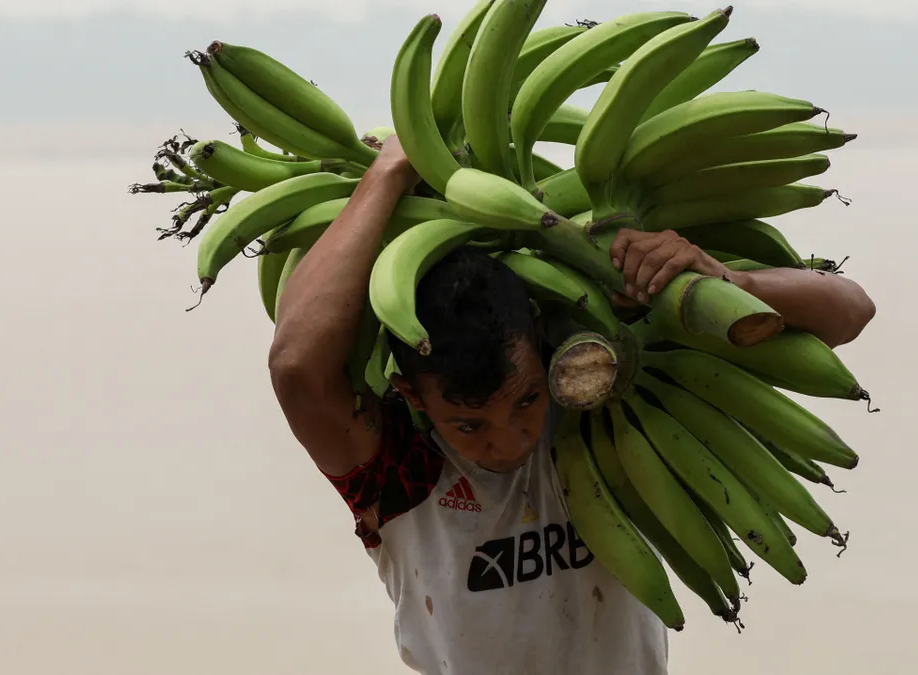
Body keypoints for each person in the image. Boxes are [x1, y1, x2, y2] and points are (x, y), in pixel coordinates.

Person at [268, 137, 876, 675]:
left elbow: (851, 313)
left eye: (526, 400)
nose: (508, 440)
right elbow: (296, 365)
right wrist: (389, 173)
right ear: (409, 394)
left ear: (541, 344)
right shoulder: (397, 473)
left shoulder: (603, 402)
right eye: (468, 424)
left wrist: (728, 286)